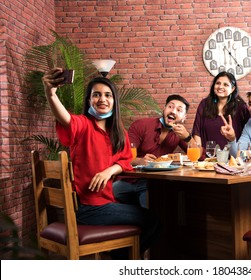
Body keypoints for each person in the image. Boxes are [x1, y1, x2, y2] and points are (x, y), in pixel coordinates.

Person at [41, 68, 161, 258]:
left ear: (114, 101)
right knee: (153, 220)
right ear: (89, 100)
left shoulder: (117, 130)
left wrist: (109, 171)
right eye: (96, 95)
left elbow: (126, 159)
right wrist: (51, 93)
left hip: (106, 202)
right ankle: (123, 261)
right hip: (89, 208)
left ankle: (118, 259)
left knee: (143, 214)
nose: (102, 99)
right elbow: (65, 118)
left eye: (107, 95)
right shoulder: (82, 125)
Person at [113, 94, 193, 208]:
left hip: (153, 183)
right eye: (170, 107)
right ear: (164, 109)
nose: (173, 111)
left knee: (162, 202)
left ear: (184, 117)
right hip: (128, 181)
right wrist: (140, 161)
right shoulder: (141, 125)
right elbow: (123, 155)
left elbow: (199, 156)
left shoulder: (180, 133)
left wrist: (187, 137)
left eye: (179, 110)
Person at [192, 71, 251, 159]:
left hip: (234, 159)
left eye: (226, 85)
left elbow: (249, 133)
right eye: (218, 83)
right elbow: (197, 132)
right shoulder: (204, 104)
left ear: (233, 89)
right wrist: (199, 156)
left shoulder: (241, 107)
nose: (220, 87)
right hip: (209, 158)